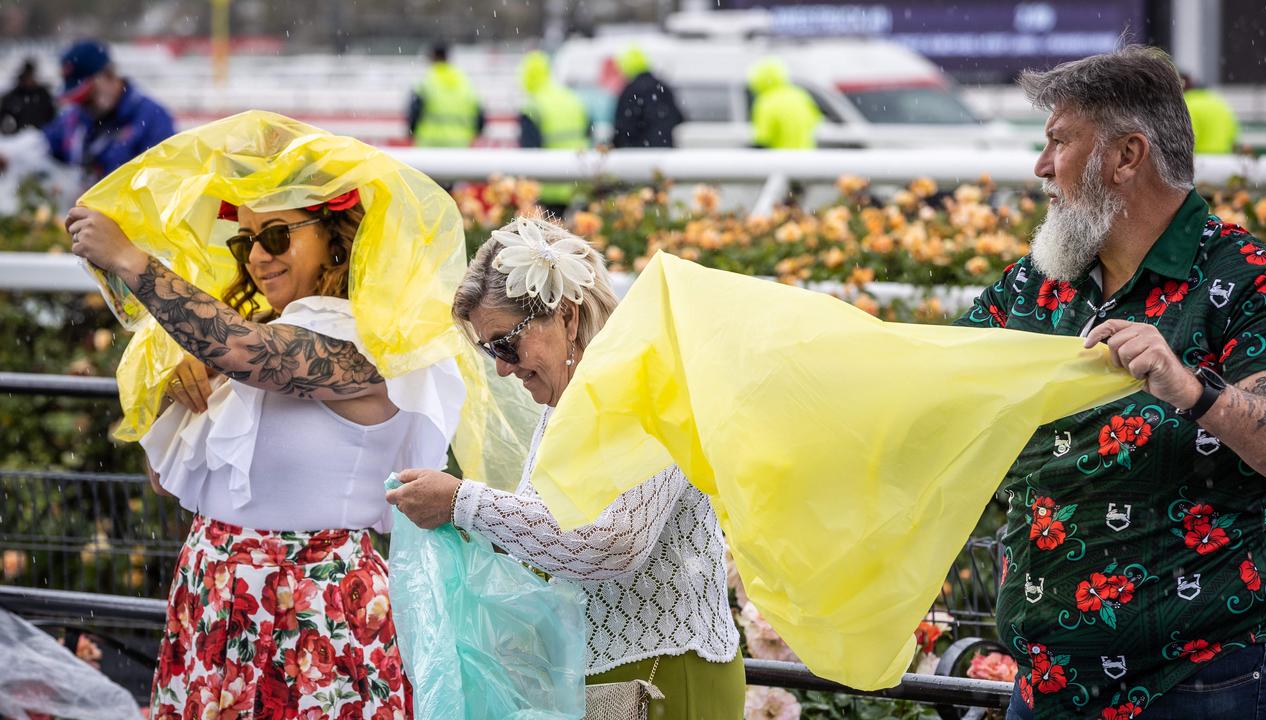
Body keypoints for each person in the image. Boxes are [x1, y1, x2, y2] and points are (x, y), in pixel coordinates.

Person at [65, 158, 465, 715]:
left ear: (337, 241)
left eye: (276, 234)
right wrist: (172, 389)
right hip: (212, 604)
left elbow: (252, 355)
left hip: (316, 614)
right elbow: (164, 479)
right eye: (245, 240)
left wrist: (132, 261)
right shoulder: (244, 341)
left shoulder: (372, 347)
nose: (256, 255)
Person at [955, 46, 1266, 719]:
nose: (1041, 167)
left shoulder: (1248, 278)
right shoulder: (1037, 282)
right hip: (1044, 684)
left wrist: (1194, 391)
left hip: (1199, 682)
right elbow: (933, 378)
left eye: (1058, 142)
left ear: (1127, 156)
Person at [386, 216, 746, 720]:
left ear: (568, 318)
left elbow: (615, 542)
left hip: (663, 678)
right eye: (490, 351)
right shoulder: (567, 405)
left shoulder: (648, 388)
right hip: (604, 676)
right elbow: (549, 533)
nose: (502, 368)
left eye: (506, 344)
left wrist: (463, 503)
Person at [42, 40, 174, 183]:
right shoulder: (75, 117)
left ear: (108, 75)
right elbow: (43, 143)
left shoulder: (152, 119)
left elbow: (163, 185)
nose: (83, 105)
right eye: (78, 100)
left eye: (88, 96)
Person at [517, 50, 590, 217]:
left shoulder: (533, 105)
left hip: (548, 188)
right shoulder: (572, 98)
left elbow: (529, 152)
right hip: (577, 182)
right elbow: (588, 132)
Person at [407, 44, 485, 148]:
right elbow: (479, 113)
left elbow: (414, 112)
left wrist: (411, 132)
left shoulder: (426, 81)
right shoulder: (464, 81)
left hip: (430, 143)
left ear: (432, 57)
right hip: (459, 143)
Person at [611, 45, 683, 149]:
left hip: (638, 153)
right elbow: (678, 117)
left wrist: (615, 144)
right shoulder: (662, 87)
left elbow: (625, 125)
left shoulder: (630, 91)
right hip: (666, 150)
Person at [748, 57, 822, 150]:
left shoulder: (766, 101)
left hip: (780, 160)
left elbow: (762, 140)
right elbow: (815, 120)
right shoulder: (799, 95)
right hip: (805, 158)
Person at [1182, 72, 1239, 154]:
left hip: (1200, 161)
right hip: (1225, 160)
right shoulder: (1219, 102)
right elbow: (1234, 136)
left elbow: (1187, 138)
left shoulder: (1188, 103)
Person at [0, 59, 55, 135]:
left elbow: (51, 116)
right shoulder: (12, 97)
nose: (31, 79)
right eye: (28, 76)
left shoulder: (43, 94)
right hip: (18, 138)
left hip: (41, 136)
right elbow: (5, 120)